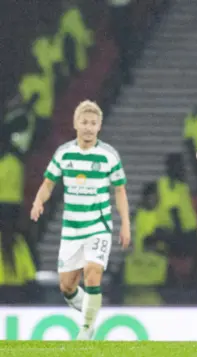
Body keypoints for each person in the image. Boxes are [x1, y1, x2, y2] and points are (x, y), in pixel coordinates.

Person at [30, 100, 131, 340]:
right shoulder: (64, 153)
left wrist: (125, 223)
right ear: (76, 124)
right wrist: (38, 201)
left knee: (92, 272)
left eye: (93, 123)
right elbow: (48, 183)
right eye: (84, 122)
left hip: (98, 225)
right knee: (67, 286)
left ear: (99, 127)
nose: (88, 127)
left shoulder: (108, 155)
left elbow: (120, 190)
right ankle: (91, 310)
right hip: (71, 229)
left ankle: (86, 330)